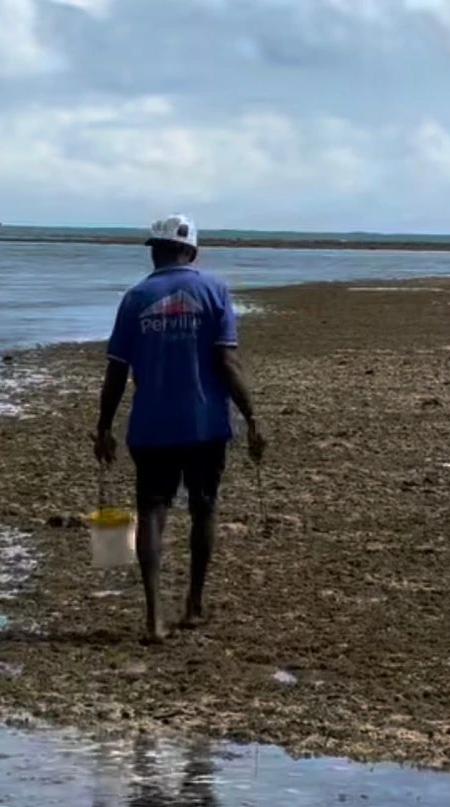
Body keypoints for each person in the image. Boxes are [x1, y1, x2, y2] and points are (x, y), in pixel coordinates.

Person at [94, 214, 265, 644]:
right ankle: (194, 605)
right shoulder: (215, 292)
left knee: (152, 513)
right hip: (206, 425)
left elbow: (116, 371)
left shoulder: (135, 298)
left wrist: (103, 427)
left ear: (156, 251)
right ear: (192, 252)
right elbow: (227, 363)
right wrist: (252, 416)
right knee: (203, 509)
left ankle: (154, 617)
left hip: (151, 427)